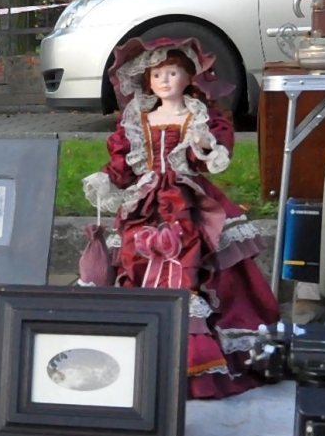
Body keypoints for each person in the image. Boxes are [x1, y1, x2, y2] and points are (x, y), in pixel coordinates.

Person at [81, 36, 278, 398]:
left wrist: (206, 147)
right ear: (147, 80)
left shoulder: (199, 116)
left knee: (193, 264)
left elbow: (214, 156)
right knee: (132, 258)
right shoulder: (139, 119)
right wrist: (106, 177)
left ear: (189, 77)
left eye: (172, 72)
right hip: (145, 203)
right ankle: (136, 349)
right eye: (157, 74)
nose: (164, 80)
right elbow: (124, 164)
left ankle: (193, 362)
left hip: (188, 202)